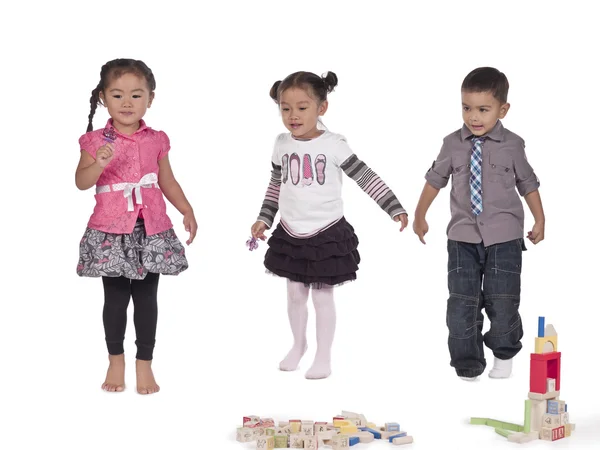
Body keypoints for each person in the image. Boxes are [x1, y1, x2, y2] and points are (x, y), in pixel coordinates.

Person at [250, 71, 408, 379]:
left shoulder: (334, 145)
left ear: (322, 108)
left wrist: (393, 207)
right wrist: (263, 218)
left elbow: (366, 177)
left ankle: (324, 356)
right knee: (294, 294)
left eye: (302, 107)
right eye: (285, 108)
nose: (293, 115)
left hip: (325, 231)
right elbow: (275, 185)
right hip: (291, 230)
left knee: (322, 296)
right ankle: (299, 344)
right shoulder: (281, 144)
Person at [412, 67, 545, 381]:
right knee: (462, 305)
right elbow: (435, 181)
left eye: (483, 109)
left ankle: (503, 352)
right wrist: (420, 214)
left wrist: (540, 218)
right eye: (466, 108)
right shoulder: (451, 144)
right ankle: (467, 364)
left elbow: (527, 183)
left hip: (505, 237)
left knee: (503, 300)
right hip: (462, 238)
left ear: (503, 110)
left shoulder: (513, 144)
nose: (474, 116)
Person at [75, 58, 197, 394]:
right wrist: (98, 164)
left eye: (136, 95)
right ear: (103, 97)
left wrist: (186, 209)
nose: (127, 103)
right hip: (111, 230)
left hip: (150, 229)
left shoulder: (157, 139)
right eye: (117, 95)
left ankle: (145, 363)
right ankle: (116, 360)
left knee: (147, 299)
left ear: (150, 99)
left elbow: (166, 180)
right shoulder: (95, 140)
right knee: (115, 300)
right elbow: (81, 182)